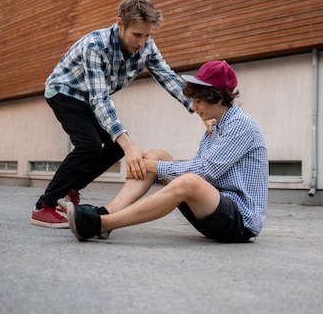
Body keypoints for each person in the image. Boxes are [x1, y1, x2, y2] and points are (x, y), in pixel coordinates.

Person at [31, 0, 193, 228]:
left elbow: (168, 78)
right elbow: (100, 99)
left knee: (115, 146)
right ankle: (43, 206)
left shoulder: (147, 46)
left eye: (147, 35)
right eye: (137, 35)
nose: (142, 42)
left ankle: (70, 188)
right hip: (65, 91)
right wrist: (130, 145)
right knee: (89, 145)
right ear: (120, 24)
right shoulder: (95, 45)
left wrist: (198, 109)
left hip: (89, 97)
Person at [63, 60, 269, 243]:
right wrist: (155, 165)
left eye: (198, 100)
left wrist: (157, 169)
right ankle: (105, 213)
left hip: (240, 221)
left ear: (219, 98)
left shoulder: (242, 125)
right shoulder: (215, 126)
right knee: (156, 154)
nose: (194, 107)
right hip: (213, 209)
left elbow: (205, 172)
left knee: (185, 178)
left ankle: (99, 224)